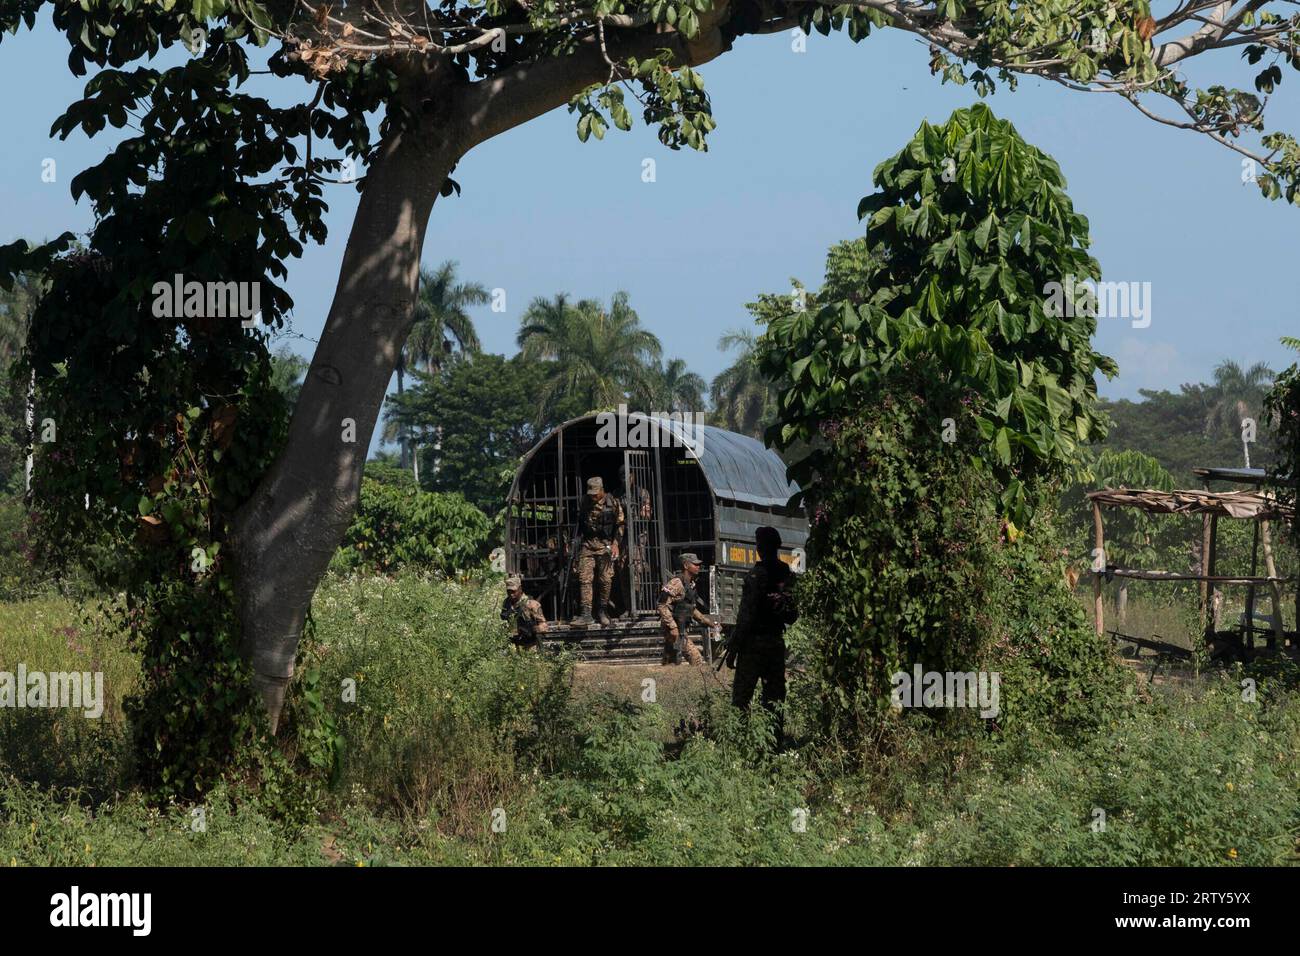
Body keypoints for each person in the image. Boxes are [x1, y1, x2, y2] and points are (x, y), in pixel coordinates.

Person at [725, 526, 798, 737]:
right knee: (774, 696)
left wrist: (734, 648)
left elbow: (745, 616)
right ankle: (774, 741)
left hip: (752, 646)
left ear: (760, 547)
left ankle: (740, 740)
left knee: (742, 696)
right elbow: (792, 616)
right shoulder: (786, 575)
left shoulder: (756, 576)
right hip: (774, 644)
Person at [574, 476, 624, 626]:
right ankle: (586, 614)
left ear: (602, 490)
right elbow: (578, 525)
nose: (593, 497)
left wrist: (616, 544)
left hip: (605, 545)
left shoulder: (613, 502)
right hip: (588, 545)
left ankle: (603, 610)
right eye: (591, 494)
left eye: (596, 493)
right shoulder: (584, 502)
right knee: (584, 579)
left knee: (605, 579)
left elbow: (621, 524)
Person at [656, 553, 714, 666]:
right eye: (695, 564)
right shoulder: (677, 582)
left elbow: (690, 609)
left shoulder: (690, 584)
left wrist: (709, 623)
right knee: (695, 658)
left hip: (680, 628)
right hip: (672, 629)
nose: (698, 566)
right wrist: (673, 627)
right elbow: (662, 604)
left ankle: (666, 678)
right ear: (686, 565)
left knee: (670, 661)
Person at [500, 574, 548, 649]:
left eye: (513, 591)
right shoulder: (506, 603)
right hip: (512, 645)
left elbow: (544, 626)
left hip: (530, 645)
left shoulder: (531, 604)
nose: (511, 594)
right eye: (508, 591)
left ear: (520, 589)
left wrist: (537, 628)